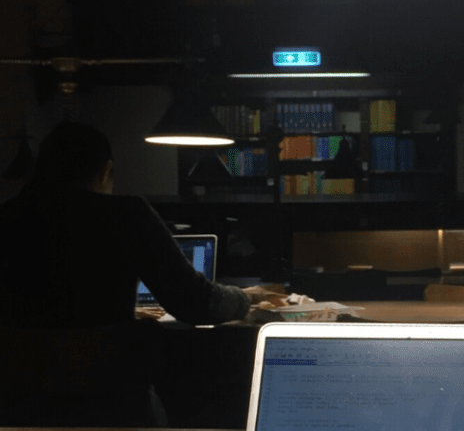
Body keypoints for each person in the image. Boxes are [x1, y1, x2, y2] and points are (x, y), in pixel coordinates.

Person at [0, 121, 283, 327]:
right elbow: (195, 303)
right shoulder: (124, 215)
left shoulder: (9, 216)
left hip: (19, 387)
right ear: (106, 171)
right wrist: (245, 299)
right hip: (106, 382)